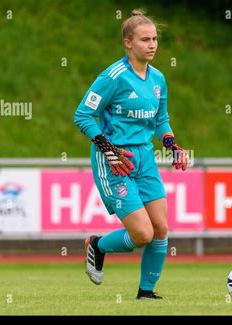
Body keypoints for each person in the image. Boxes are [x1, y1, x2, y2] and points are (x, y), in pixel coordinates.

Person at [74, 9, 188, 300]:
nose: (152, 45)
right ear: (128, 43)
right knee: (142, 235)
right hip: (114, 159)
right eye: (144, 40)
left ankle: (146, 293)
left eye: (154, 39)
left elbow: (160, 119)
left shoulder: (158, 79)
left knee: (161, 228)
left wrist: (172, 145)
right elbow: (83, 115)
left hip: (145, 158)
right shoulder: (113, 77)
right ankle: (98, 246)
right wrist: (107, 148)